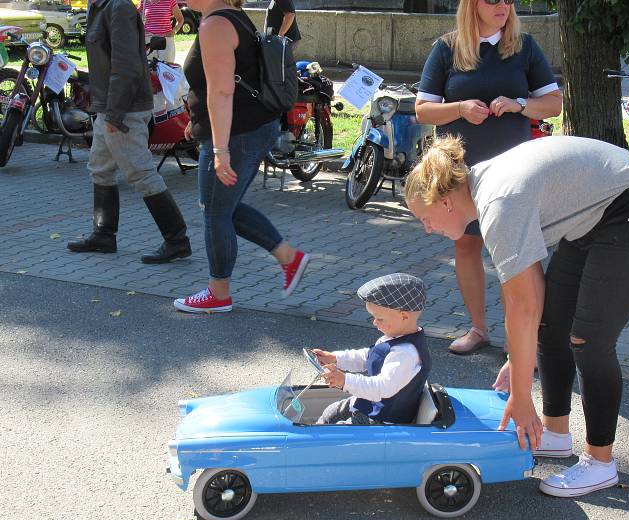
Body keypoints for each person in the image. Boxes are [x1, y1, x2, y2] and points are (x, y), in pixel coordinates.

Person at [405, 135, 629, 497]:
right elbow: (523, 293)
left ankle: (600, 462)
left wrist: (521, 393)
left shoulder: (498, 203)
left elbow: (522, 306)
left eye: (425, 217)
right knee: (551, 325)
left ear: (446, 202)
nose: (427, 228)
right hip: (596, 217)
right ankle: (555, 433)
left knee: (589, 340)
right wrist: (520, 356)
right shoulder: (485, 193)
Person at [415, 0, 561, 356]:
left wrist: (519, 105)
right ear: (472, 4)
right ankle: (478, 328)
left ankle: (526, 340)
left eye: (509, 0)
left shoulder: (524, 46)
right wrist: (460, 109)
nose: (503, 6)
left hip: (514, 173)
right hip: (463, 171)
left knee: (519, 252)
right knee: (466, 244)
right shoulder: (447, 47)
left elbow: (554, 104)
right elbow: (422, 109)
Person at [174, 0, 309, 313]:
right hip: (249, 129)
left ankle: (218, 293)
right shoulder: (228, 17)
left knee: (215, 213)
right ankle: (290, 258)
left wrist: (220, 150)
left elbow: (222, 91)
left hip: (237, 135)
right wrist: (198, 126)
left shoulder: (215, 25)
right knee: (223, 206)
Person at [67, 0, 192, 265]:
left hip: (123, 109)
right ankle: (103, 235)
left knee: (141, 172)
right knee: (100, 168)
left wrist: (115, 112)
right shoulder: (100, 5)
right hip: (109, 105)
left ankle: (177, 240)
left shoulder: (118, 7)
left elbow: (126, 66)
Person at [313, 273, 431, 425]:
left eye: (380, 318)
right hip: (372, 403)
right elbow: (367, 356)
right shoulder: (393, 337)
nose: (374, 322)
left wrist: (344, 380)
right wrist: (335, 359)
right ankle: (315, 431)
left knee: (339, 431)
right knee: (331, 411)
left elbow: (383, 387)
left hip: (383, 420)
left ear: (404, 316)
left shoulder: (405, 354)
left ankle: (317, 443)